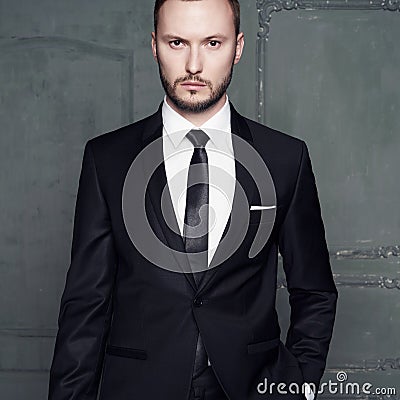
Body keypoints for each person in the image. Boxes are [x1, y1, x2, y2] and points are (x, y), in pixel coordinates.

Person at [48, 0, 338, 399]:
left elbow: (315, 291)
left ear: (237, 47)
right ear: (154, 45)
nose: (194, 65)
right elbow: (85, 306)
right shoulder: (108, 159)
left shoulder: (285, 159)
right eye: (177, 42)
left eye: (213, 43)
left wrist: (298, 385)